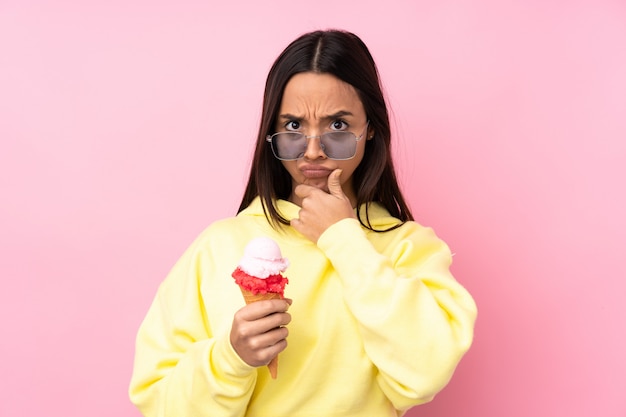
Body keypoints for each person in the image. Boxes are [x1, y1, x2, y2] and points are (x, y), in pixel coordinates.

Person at [129, 29, 477, 417]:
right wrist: (231, 358)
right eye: (294, 126)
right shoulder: (219, 245)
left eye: (338, 127)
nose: (313, 150)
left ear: (371, 128)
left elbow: (425, 373)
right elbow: (158, 402)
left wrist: (343, 240)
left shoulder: (406, 247)